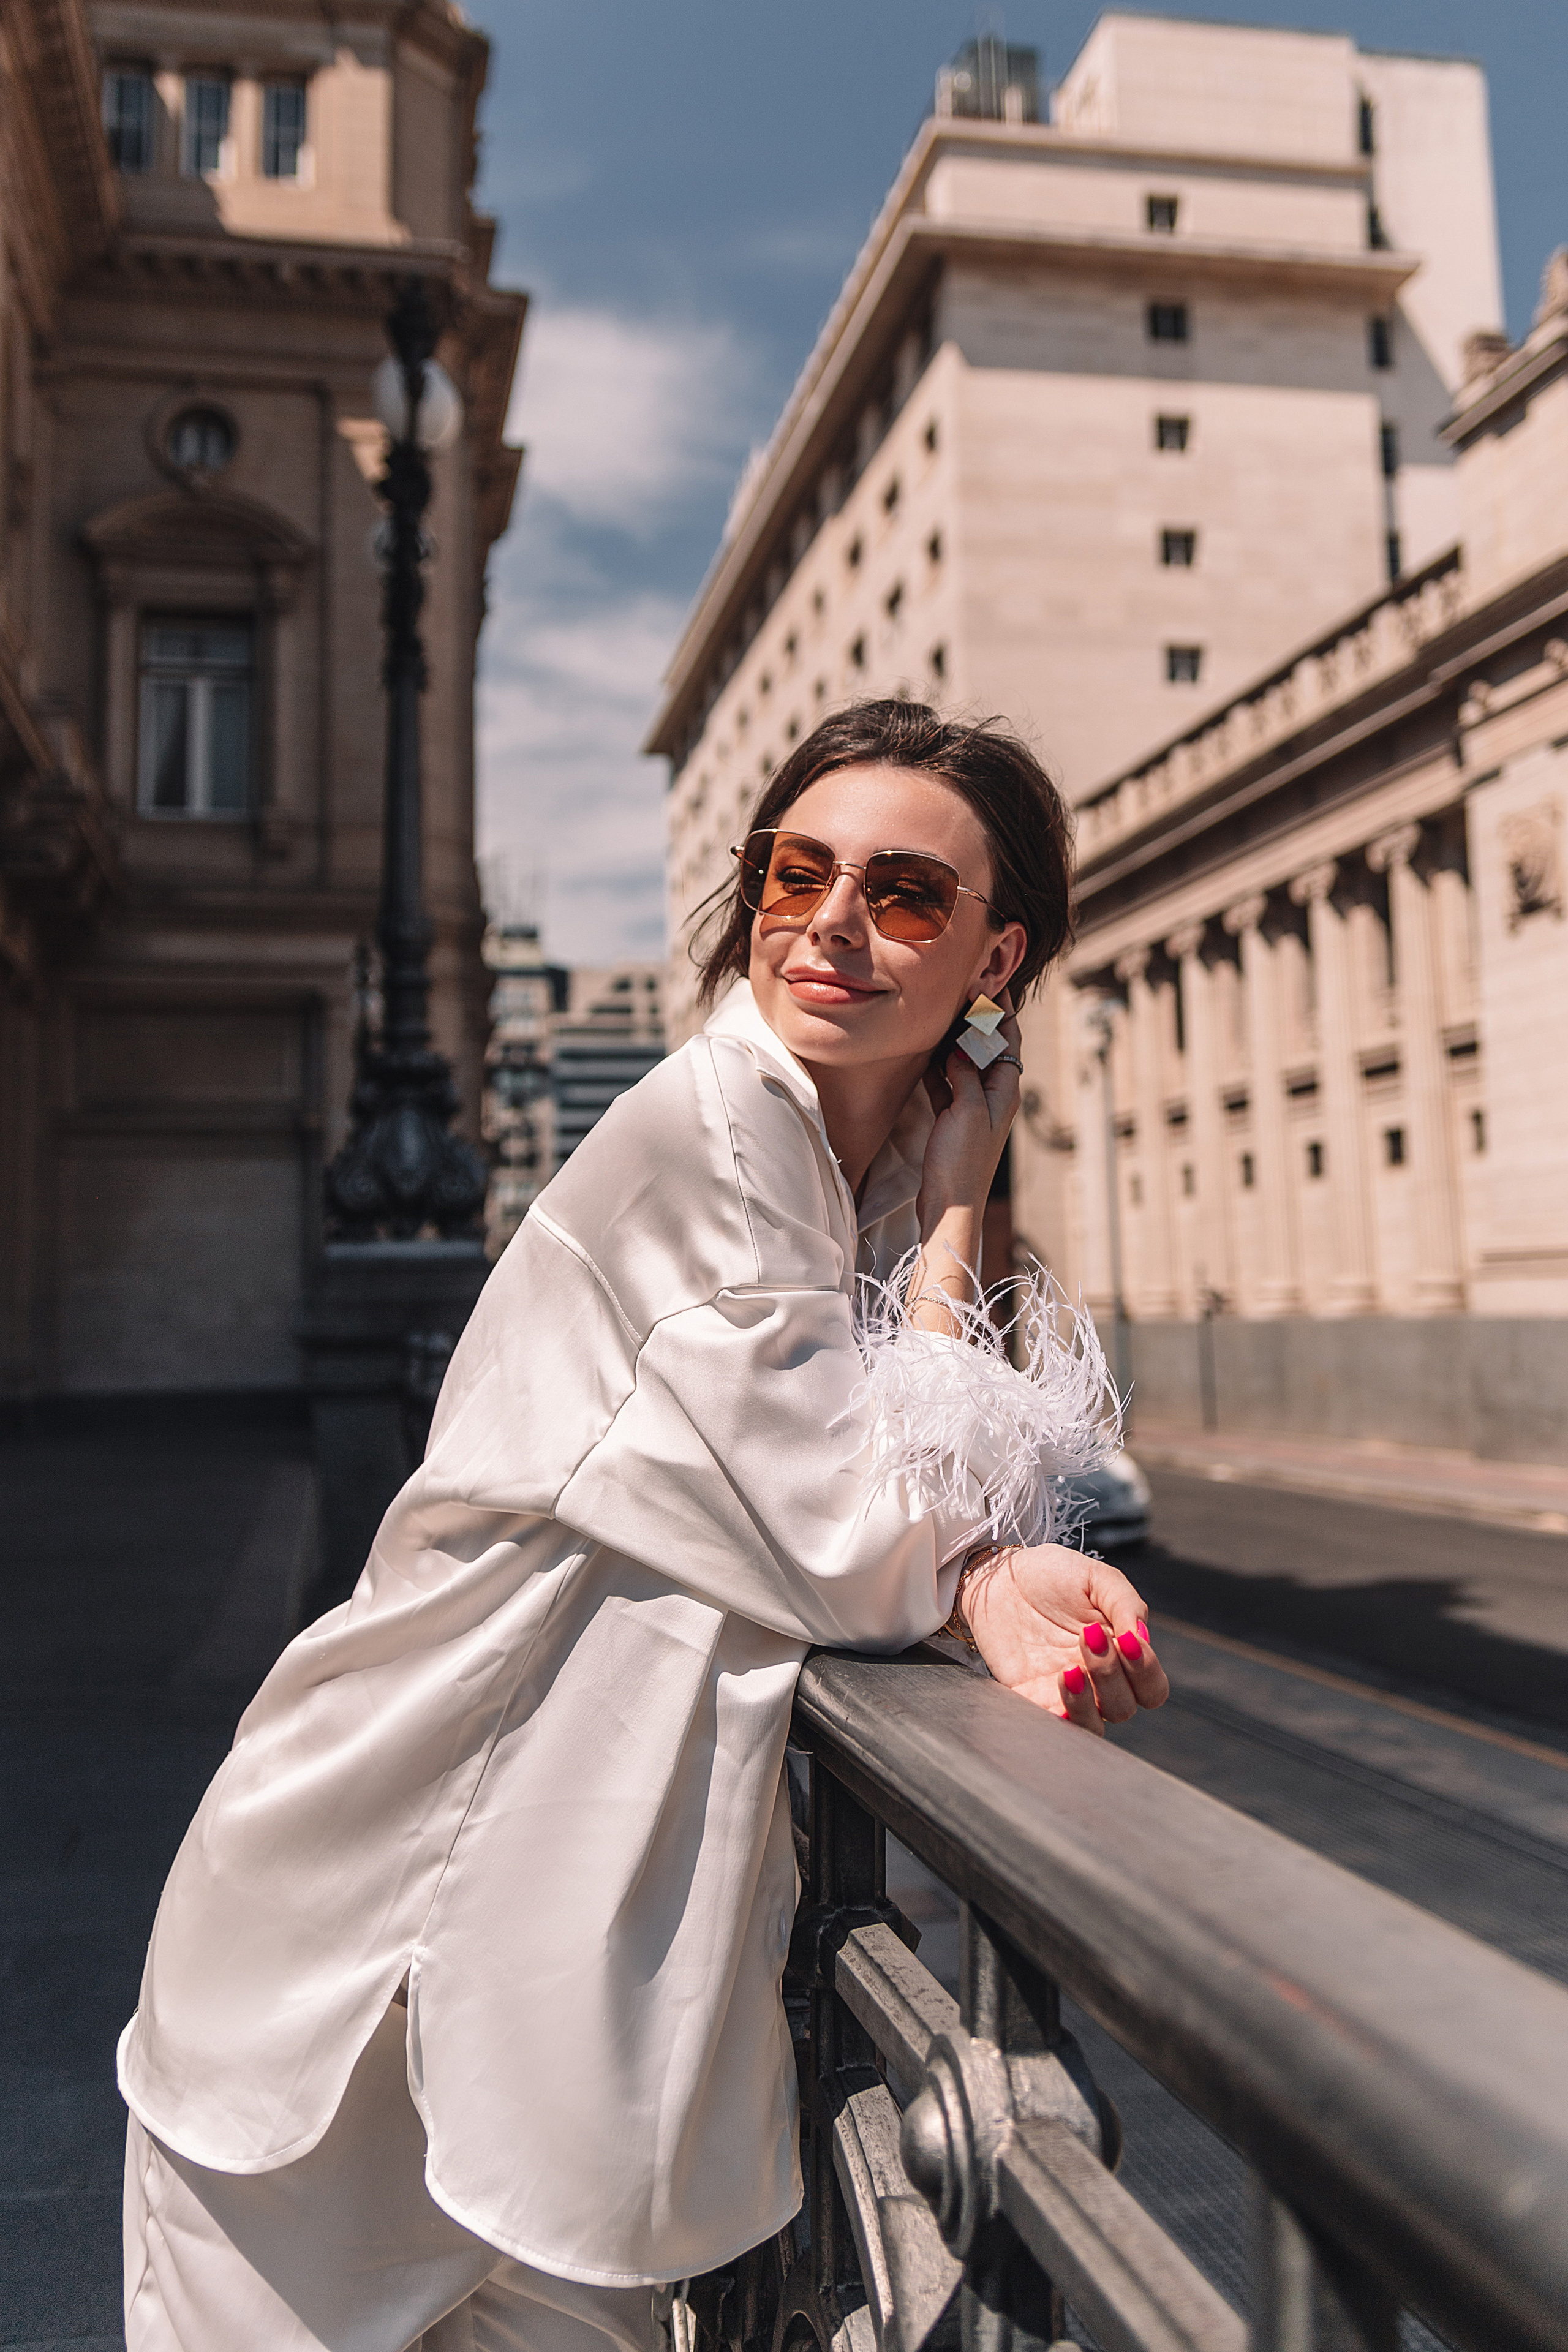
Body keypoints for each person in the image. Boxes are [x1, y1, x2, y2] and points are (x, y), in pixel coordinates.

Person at [119, 700, 1169, 2352]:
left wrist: (963, 1537)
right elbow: (866, 1536)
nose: (832, 921)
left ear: (997, 957)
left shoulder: (843, 1162)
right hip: (367, 1935)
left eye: (904, 894)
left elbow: (884, 1501)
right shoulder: (721, 1122)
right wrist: (968, 1207)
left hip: (545, 1972)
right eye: (798, 872)